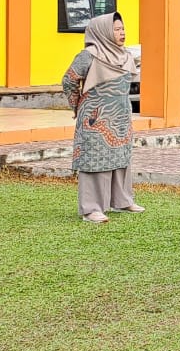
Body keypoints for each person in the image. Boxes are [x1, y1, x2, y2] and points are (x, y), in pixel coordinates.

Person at [61, 11, 144, 223]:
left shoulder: (124, 55)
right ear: (103, 32)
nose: (122, 33)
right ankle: (91, 209)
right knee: (95, 160)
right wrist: (78, 106)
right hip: (95, 118)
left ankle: (122, 201)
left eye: (123, 29)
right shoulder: (89, 55)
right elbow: (69, 80)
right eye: (116, 29)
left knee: (121, 158)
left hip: (120, 117)